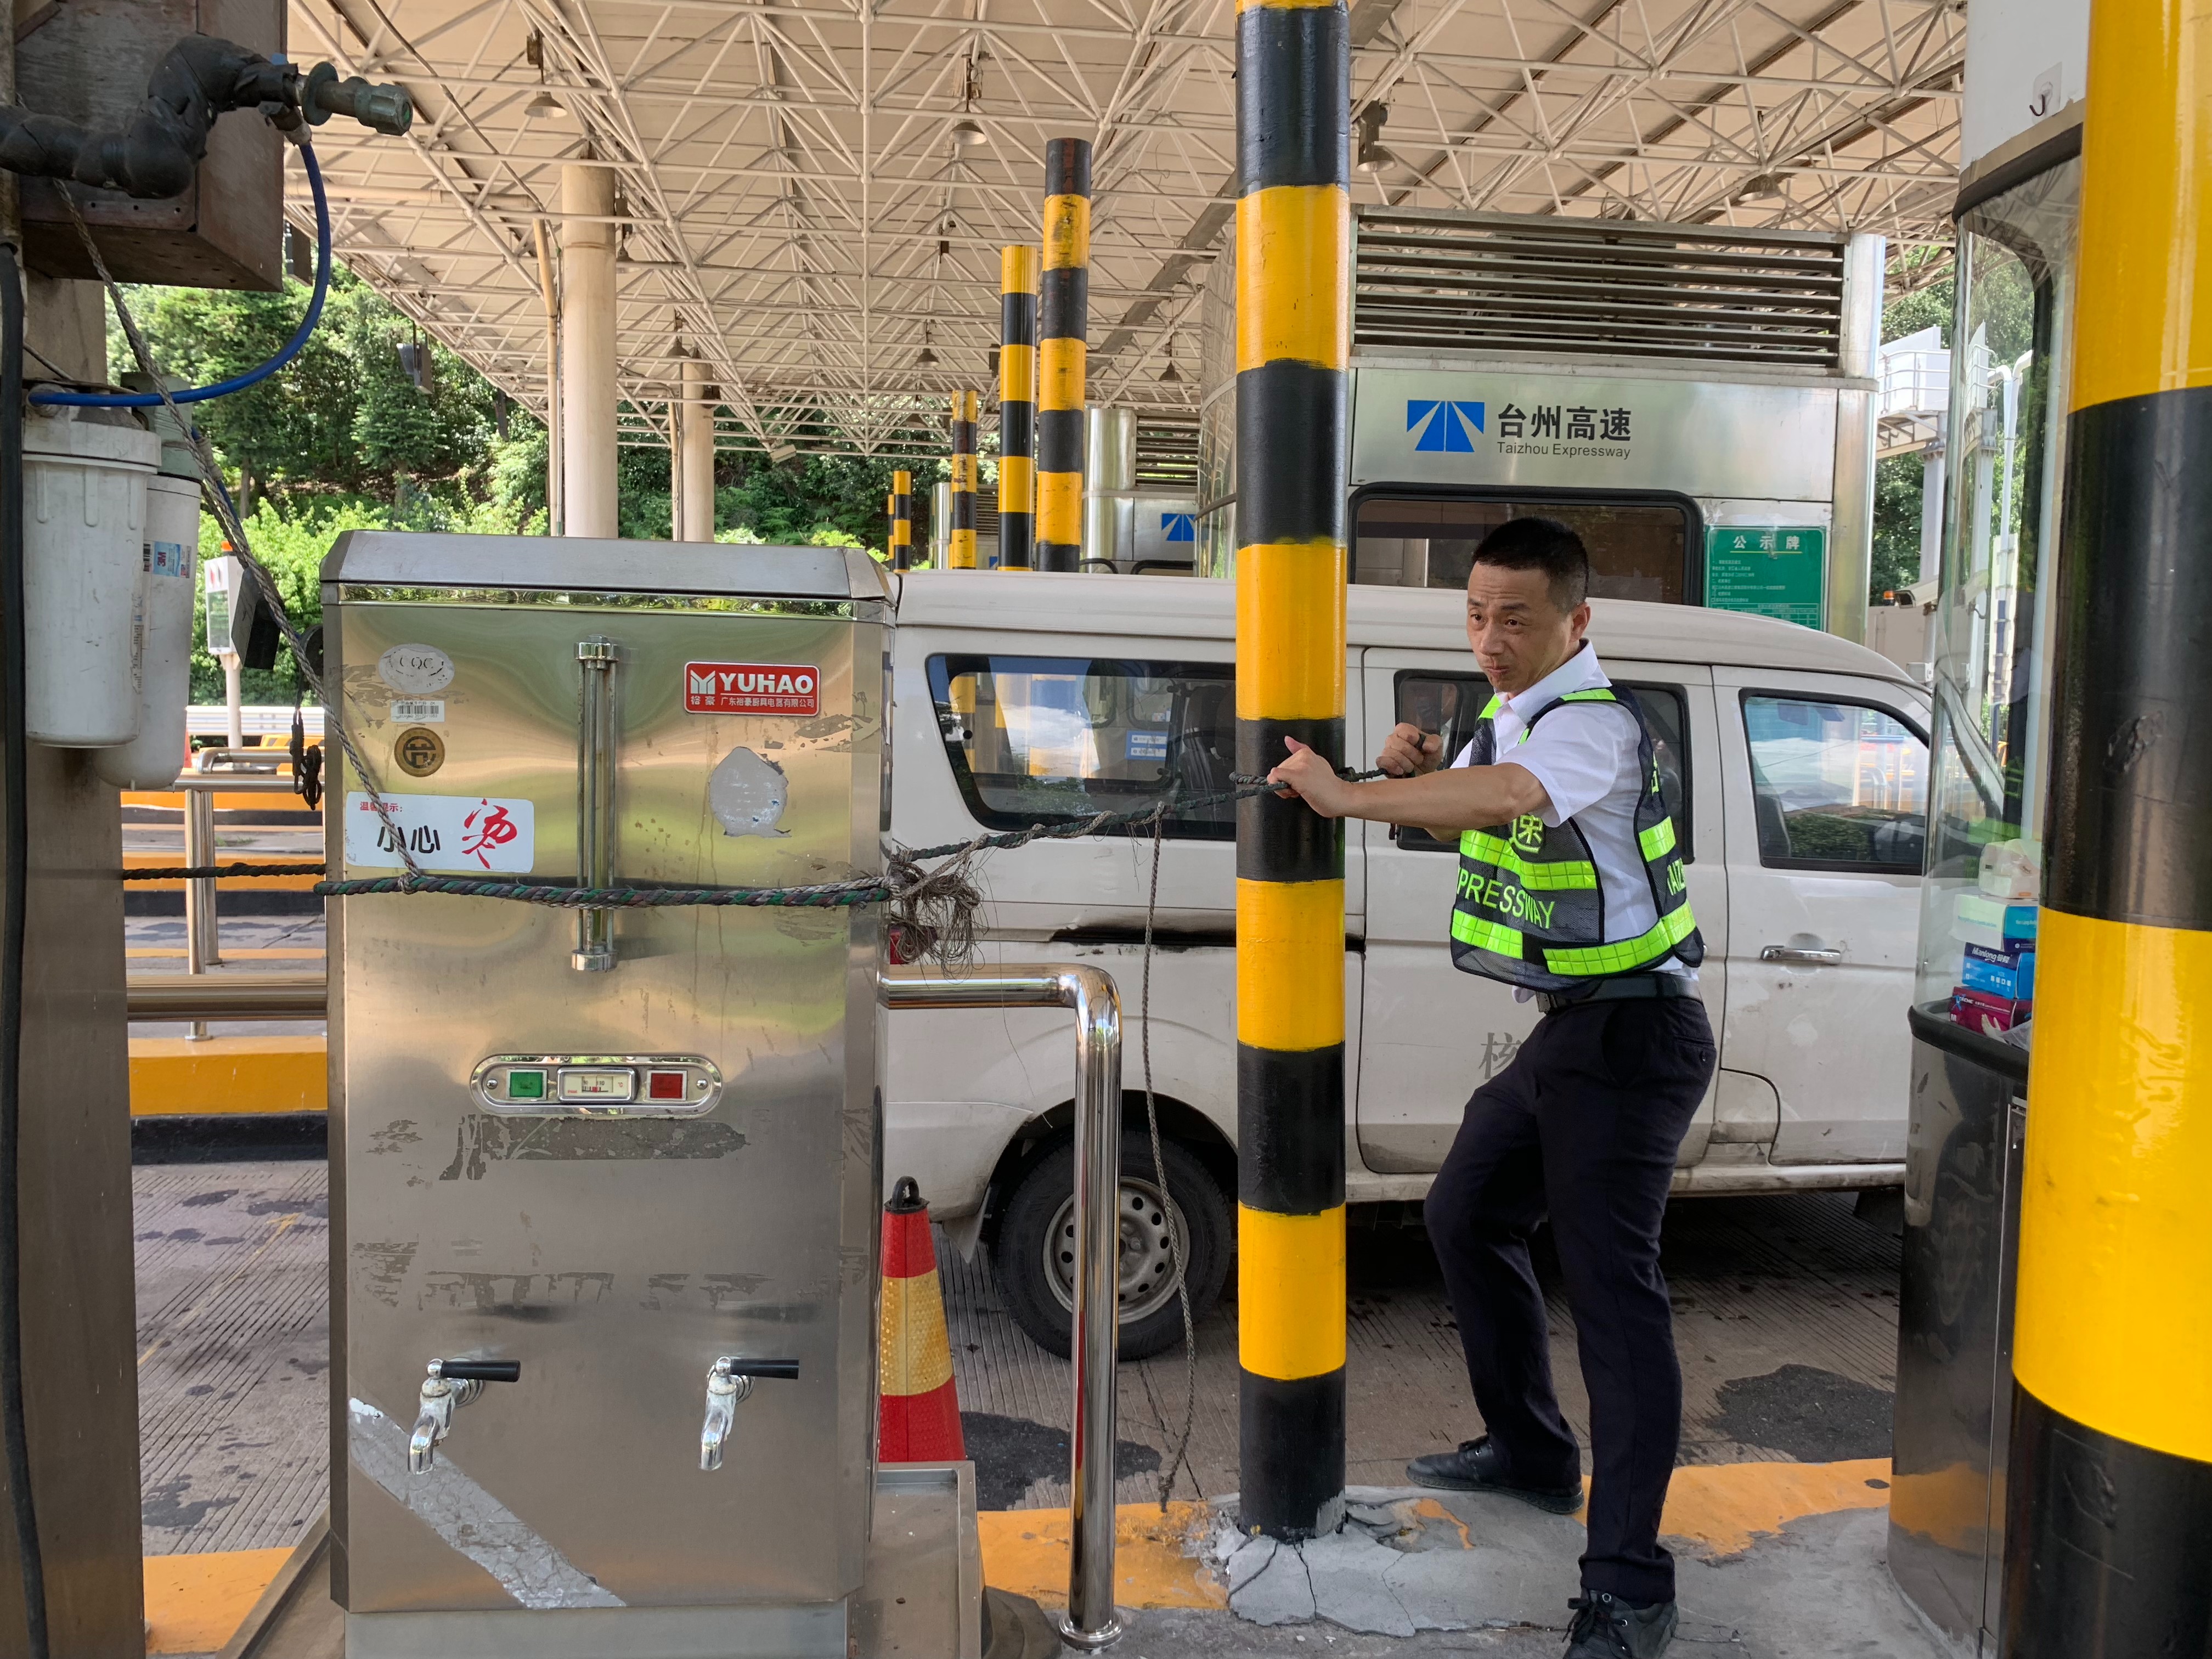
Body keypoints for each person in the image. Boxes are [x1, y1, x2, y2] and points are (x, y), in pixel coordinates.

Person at [1265, 517, 1715, 1659]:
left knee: (1616, 1303)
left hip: (1634, 1039)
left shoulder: (1593, 725)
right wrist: (1410, 772)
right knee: (1465, 1212)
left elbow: (1509, 797)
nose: (1490, 639)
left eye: (1515, 618)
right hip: (1573, 1035)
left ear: (1578, 621)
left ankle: (1629, 1588)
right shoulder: (1509, 717)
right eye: (1475, 614)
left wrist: (1346, 797)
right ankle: (1532, 1451)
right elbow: (1474, 800)